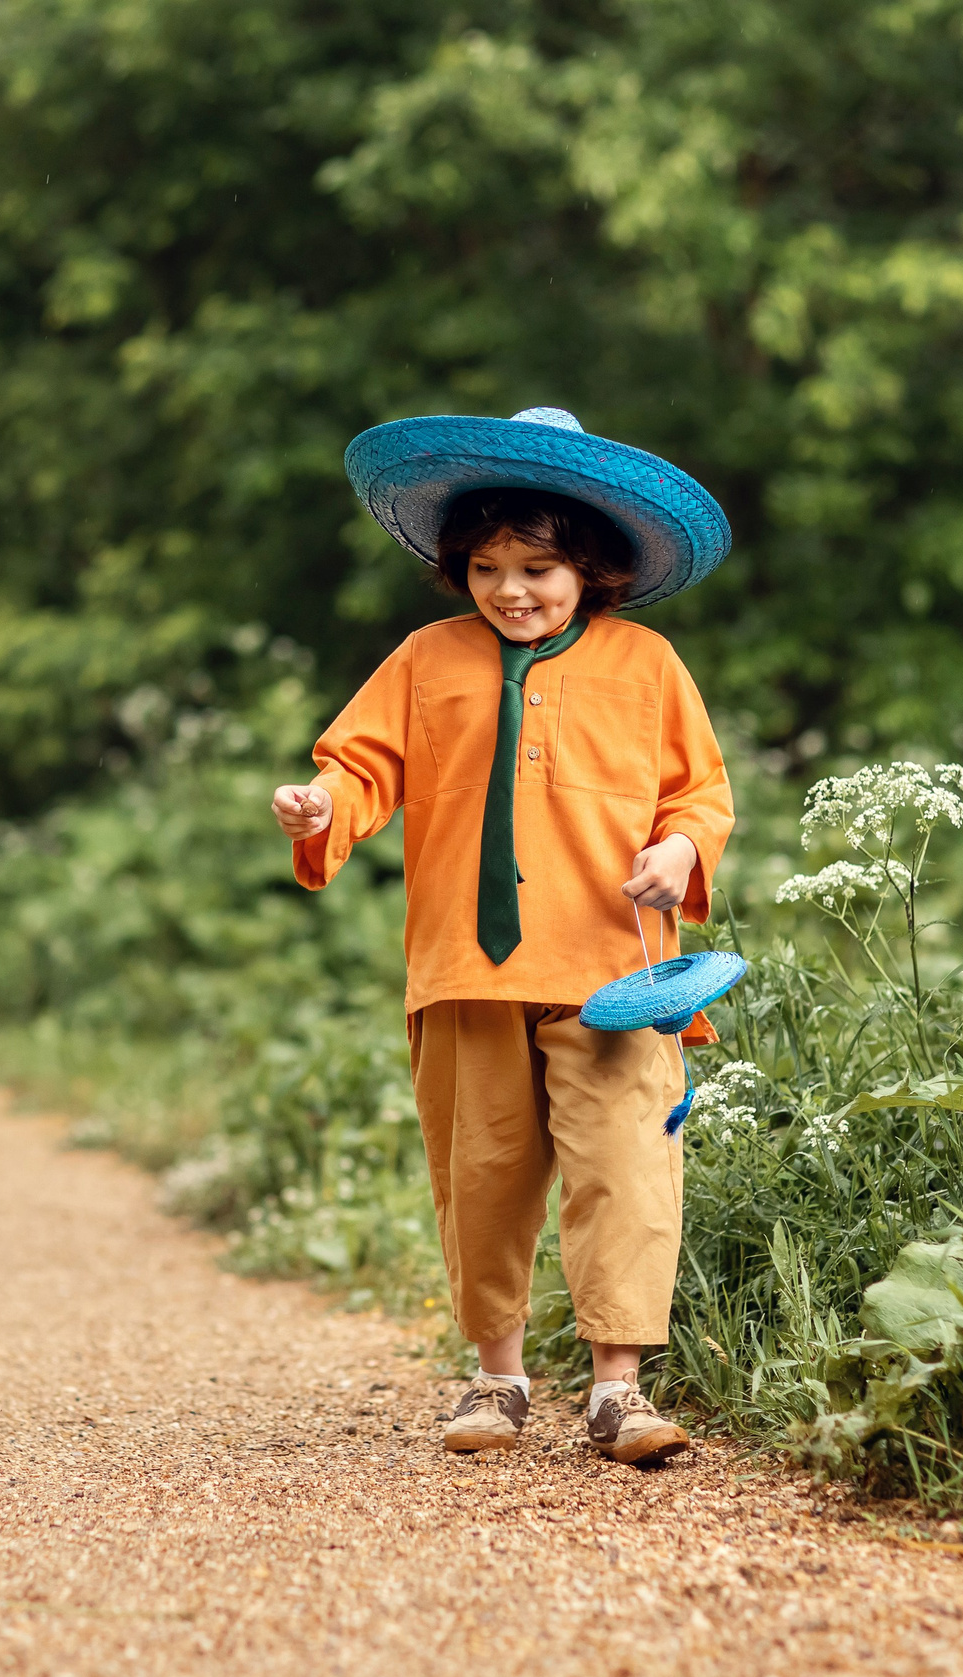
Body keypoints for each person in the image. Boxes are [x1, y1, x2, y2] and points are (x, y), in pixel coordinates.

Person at [272, 406, 736, 1465]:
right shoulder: (426, 659)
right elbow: (359, 768)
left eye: (537, 566)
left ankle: (618, 1388)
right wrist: (320, 808)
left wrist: (680, 851)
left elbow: (699, 794)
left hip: (617, 968)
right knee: (479, 1171)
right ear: (458, 570)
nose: (511, 589)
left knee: (624, 1164)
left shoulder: (648, 665)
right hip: (464, 967)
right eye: (486, 567)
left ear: (591, 567)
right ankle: (498, 1376)